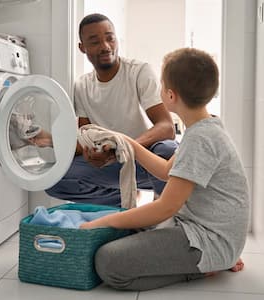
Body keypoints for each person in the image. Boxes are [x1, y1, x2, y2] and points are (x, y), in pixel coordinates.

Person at [80, 48, 250, 291]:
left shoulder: (201, 138)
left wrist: (105, 221)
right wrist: (127, 141)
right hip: (204, 230)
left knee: (108, 263)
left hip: (208, 240)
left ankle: (204, 268)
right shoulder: (203, 127)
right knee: (124, 230)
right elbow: (165, 171)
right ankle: (212, 259)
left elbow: (165, 207)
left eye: (161, 84)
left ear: (170, 96)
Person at [41, 13, 178, 206]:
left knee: (169, 151)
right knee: (54, 178)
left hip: (144, 157)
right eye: (95, 41)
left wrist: (122, 147)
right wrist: (49, 140)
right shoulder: (81, 86)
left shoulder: (138, 71)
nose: (105, 46)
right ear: (82, 47)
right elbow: (84, 138)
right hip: (110, 161)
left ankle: (165, 211)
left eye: (110, 38)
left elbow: (167, 127)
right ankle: (123, 201)